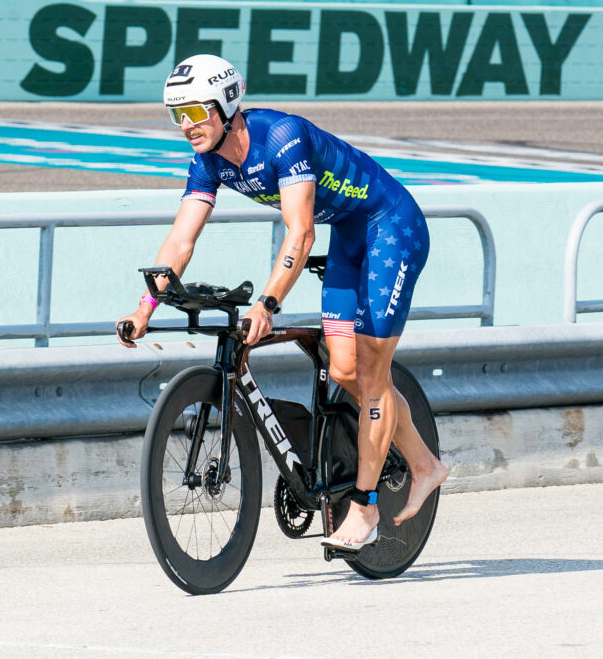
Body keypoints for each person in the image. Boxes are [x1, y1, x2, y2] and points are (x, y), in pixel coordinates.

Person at [115, 54, 448, 552]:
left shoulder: (281, 137)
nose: (186, 126)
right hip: (350, 233)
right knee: (343, 371)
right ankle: (424, 465)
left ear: (227, 104)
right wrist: (145, 307)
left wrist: (267, 303)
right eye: (176, 115)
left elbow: (301, 232)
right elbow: (181, 240)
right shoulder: (207, 161)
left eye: (195, 112)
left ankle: (365, 507)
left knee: (371, 370)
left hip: (392, 226)